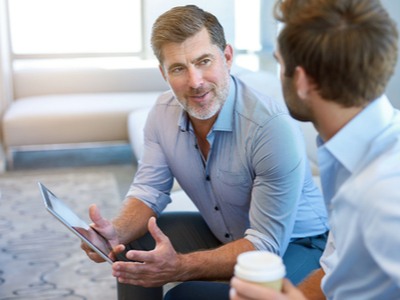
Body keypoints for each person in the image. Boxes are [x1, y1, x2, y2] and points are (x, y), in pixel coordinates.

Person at [81, 5, 329, 300]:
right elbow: (148, 191)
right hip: (227, 231)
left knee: (185, 296)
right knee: (132, 249)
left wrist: (181, 267)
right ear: (163, 73)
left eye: (204, 61)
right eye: (178, 68)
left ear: (227, 57)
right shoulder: (161, 114)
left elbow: (265, 243)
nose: (195, 81)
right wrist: (116, 232)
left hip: (297, 243)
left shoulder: (270, 128)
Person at [230, 0, 400, 299]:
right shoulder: (351, 160)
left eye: (280, 62)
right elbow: (335, 276)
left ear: (303, 80)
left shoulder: (383, 194)